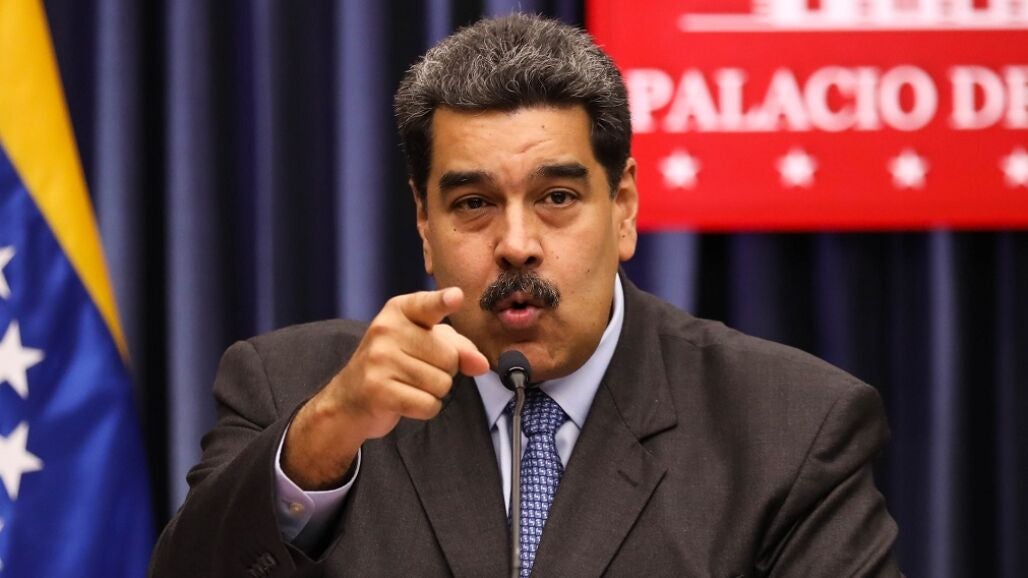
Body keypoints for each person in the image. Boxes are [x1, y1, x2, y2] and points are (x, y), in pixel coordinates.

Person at [149, 13, 900, 577]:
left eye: (557, 197)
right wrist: (320, 442)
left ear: (624, 208)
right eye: (473, 203)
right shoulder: (294, 390)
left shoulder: (789, 427)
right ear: (424, 223)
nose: (516, 243)